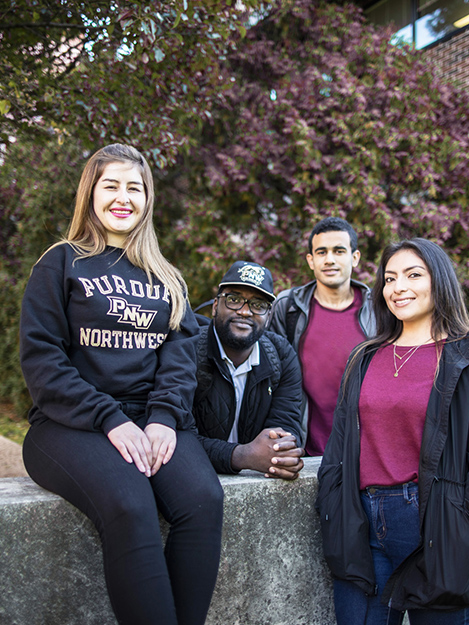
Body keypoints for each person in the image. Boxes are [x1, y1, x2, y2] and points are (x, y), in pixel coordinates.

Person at [20, 144, 224, 625]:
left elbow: (179, 361)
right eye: (110, 185)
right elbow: (43, 360)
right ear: (90, 193)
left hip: (151, 420)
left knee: (203, 500)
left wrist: (162, 421)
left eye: (134, 187)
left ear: (148, 199)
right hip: (69, 424)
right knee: (131, 505)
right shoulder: (62, 263)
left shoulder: (166, 277)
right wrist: (110, 419)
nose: (123, 197)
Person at [316, 238, 469, 625]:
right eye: (389, 278)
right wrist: (334, 513)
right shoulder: (364, 357)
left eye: (413, 275)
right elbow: (338, 450)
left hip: (439, 527)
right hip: (362, 527)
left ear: (440, 281)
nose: (398, 288)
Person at [269, 216, 375, 455]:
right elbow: (271, 376)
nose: (329, 260)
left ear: (354, 257)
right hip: (303, 449)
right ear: (311, 260)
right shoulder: (288, 308)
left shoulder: (378, 310)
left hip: (362, 452)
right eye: (321, 252)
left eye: (338, 251)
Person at [193, 261, 305, 480]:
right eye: (234, 300)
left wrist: (281, 453)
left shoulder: (282, 356)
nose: (245, 311)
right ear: (216, 306)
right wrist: (241, 455)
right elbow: (174, 434)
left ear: (269, 315)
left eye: (258, 304)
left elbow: (287, 426)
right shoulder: (188, 350)